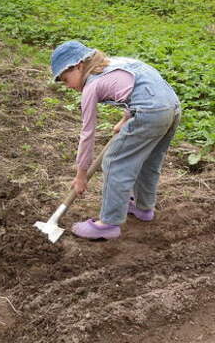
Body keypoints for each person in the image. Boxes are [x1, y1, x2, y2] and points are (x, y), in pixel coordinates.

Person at [50, 40, 181, 240]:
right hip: (172, 106)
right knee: (149, 161)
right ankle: (143, 208)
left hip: (149, 111)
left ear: (78, 66)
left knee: (115, 162)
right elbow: (142, 83)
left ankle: (108, 224)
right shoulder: (115, 63)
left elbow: (87, 134)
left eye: (66, 79)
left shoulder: (91, 86)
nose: (67, 86)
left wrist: (81, 174)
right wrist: (126, 117)